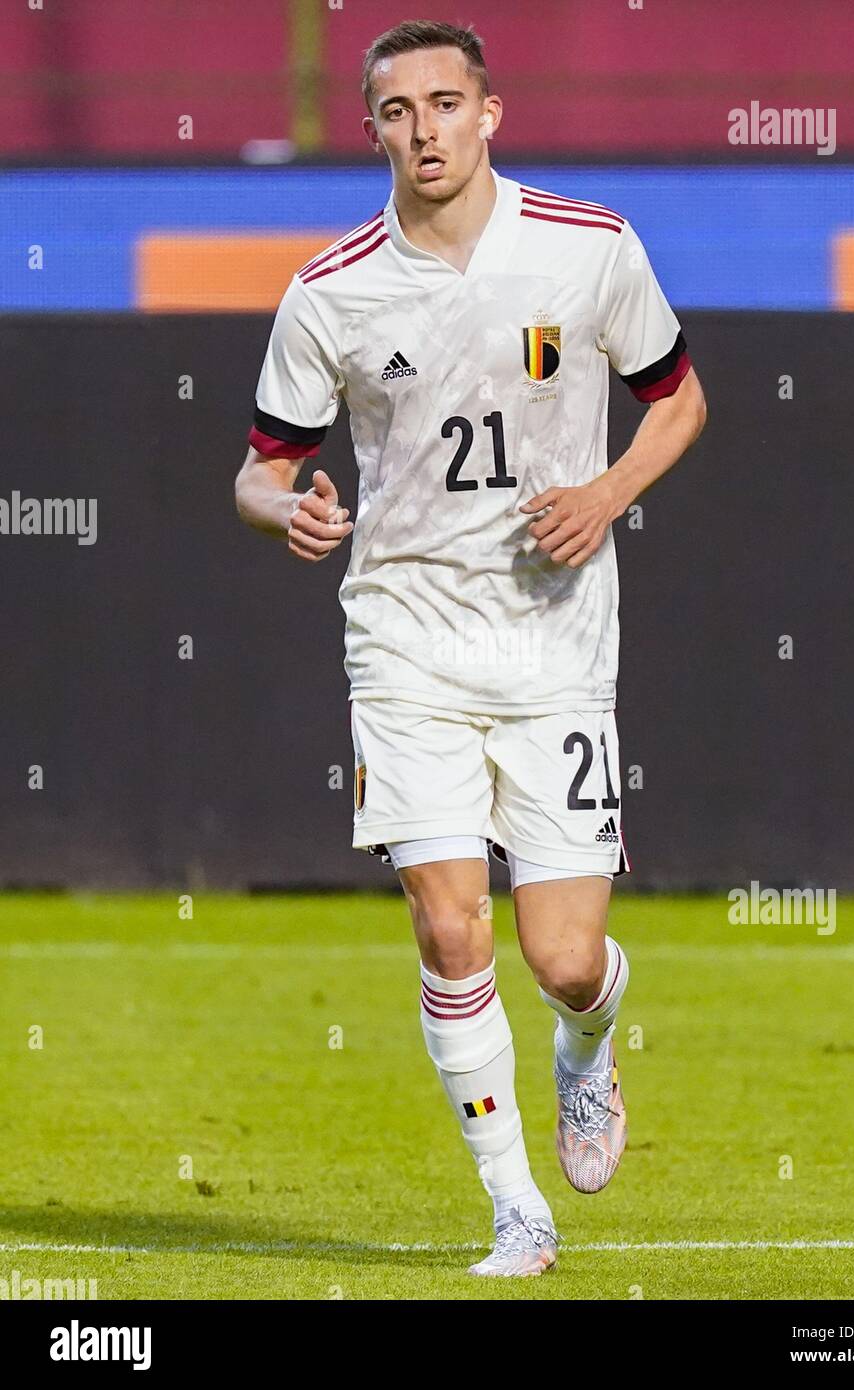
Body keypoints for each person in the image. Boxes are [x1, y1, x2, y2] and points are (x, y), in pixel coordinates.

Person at [235, 19, 707, 1276]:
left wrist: (606, 495)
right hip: (403, 642)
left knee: (559, 957)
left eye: (448, 104)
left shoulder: (589, 246)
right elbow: (259, 470)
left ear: (490, 112)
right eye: (399, 111)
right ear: (374, 127)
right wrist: (295, 509)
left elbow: (681, 400)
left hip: (554, 639)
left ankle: (589, 1047)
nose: (425, 129)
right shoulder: (332, 289)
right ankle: (516, 1209)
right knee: (451, 931)